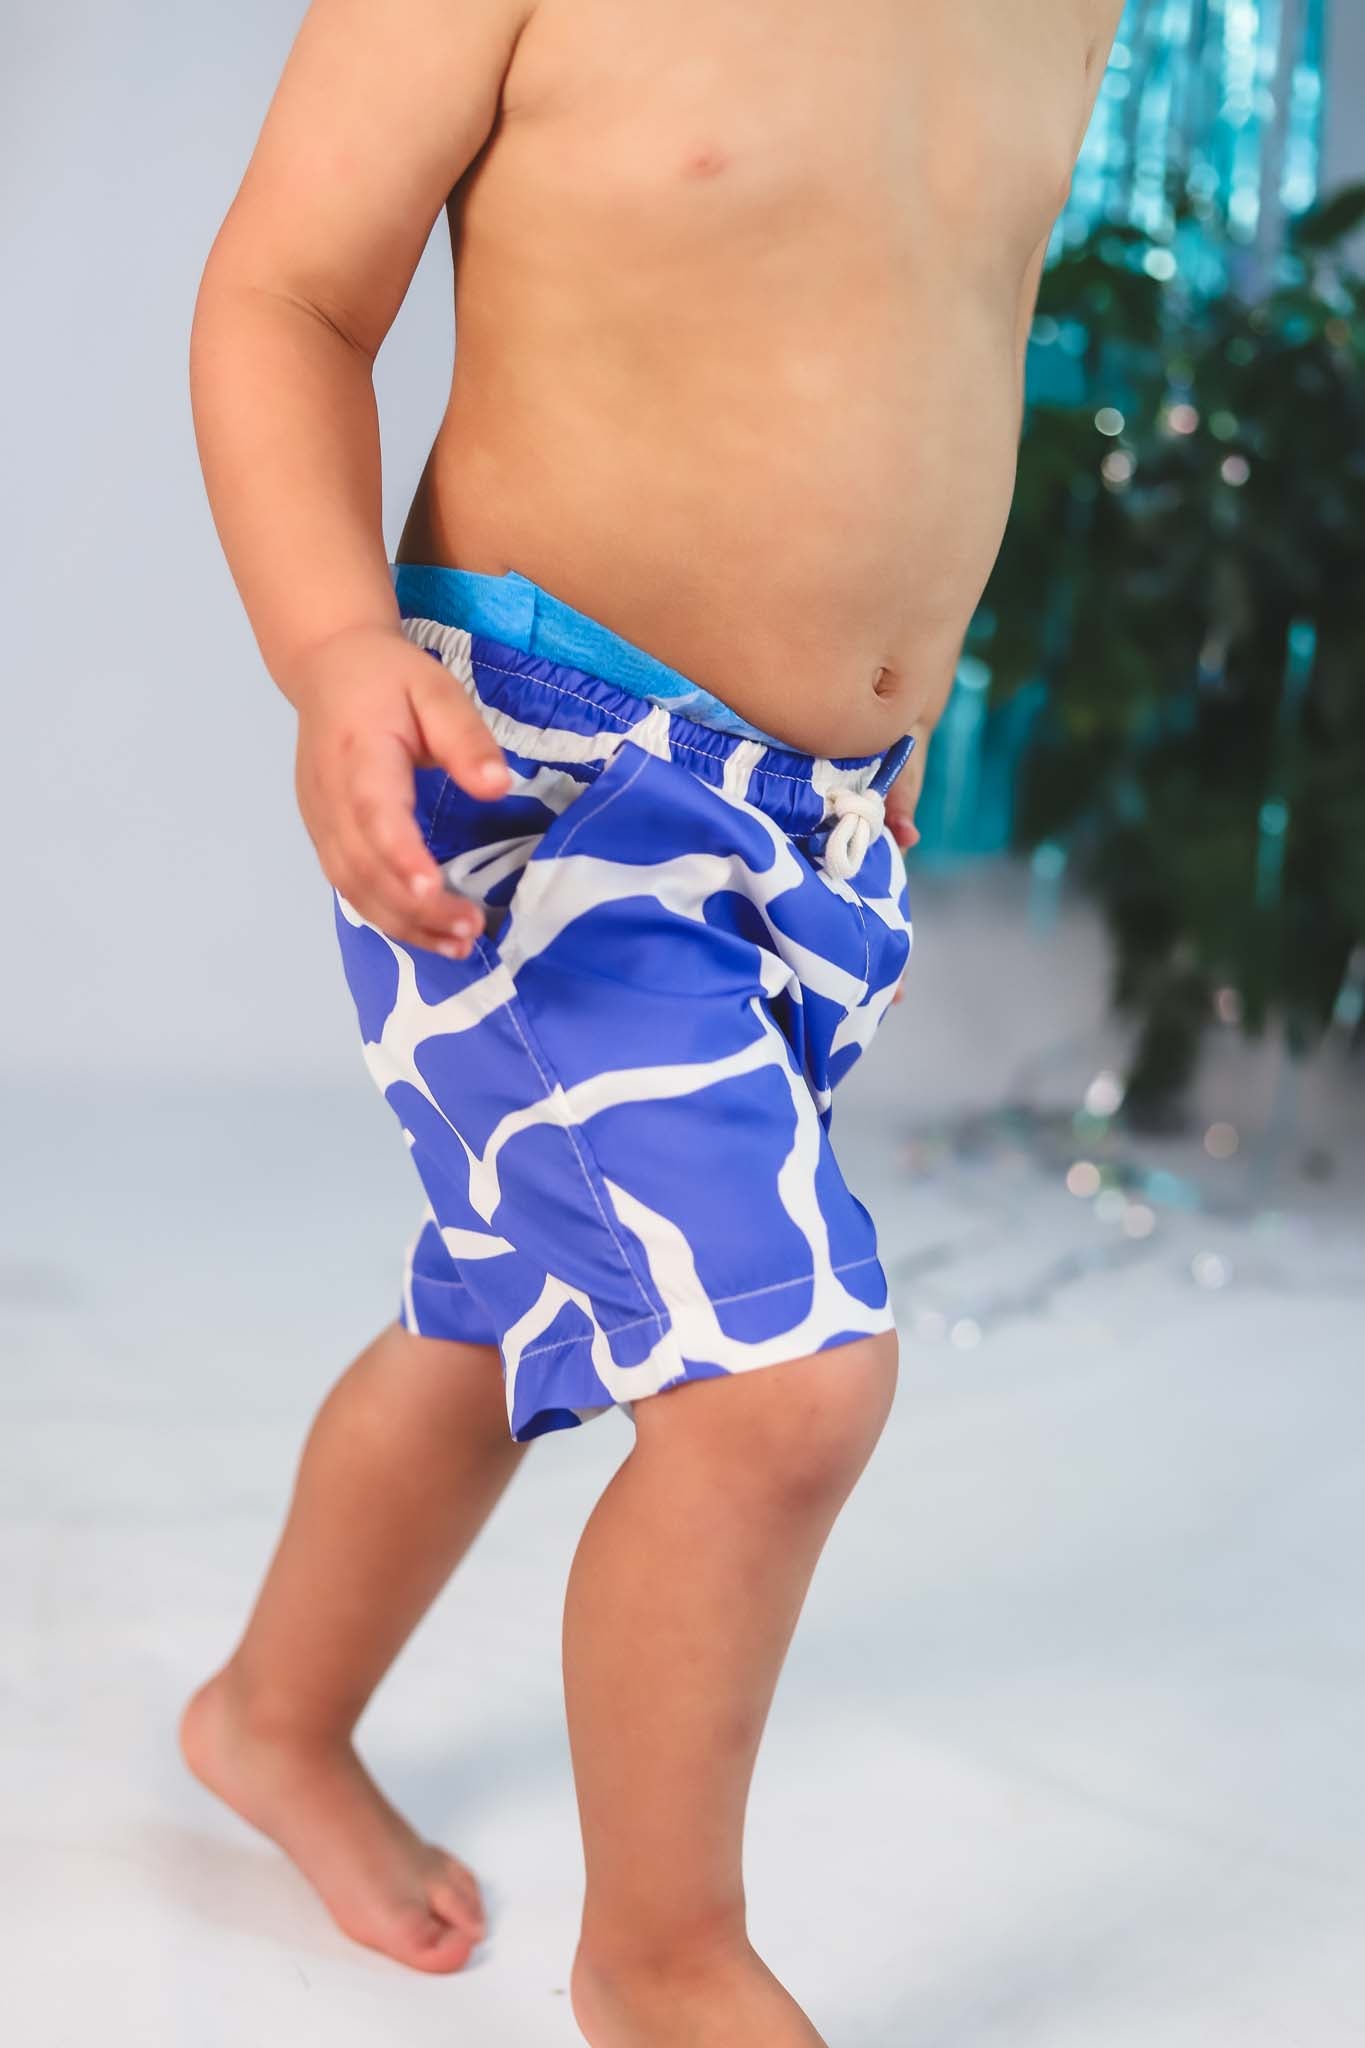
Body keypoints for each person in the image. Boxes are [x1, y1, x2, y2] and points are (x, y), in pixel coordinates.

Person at [178, 3, 1124, 2041]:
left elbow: (938, 319)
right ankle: (660, 1958)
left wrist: (899, 661)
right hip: (539, 783)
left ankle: (271, 1713)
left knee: (511, 1306)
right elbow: (286, 290)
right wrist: (330, 648)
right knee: (777, 1387)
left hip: (812, 824)